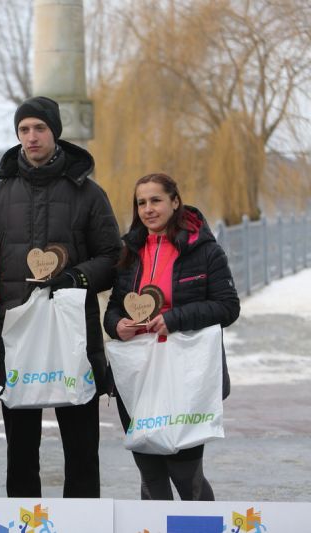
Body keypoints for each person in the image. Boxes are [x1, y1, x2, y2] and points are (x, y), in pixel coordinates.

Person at [0, 96, 121, 498]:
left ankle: (84, 524)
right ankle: (26, 523)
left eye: (39, 128)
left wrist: (76, 276)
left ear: (54, 132)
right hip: (17, 339)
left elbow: (113, 258)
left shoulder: (88, 194)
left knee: (81, 450)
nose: (32, 137)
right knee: (21, 453)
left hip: (73, 336)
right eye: (24, 129)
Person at [103, 173, 239, 500]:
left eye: (156, 200)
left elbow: (227, 306)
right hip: (138, 379)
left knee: (185, 474)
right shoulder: (130, 252)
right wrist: (117, 326)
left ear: (175, 202)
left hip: (186, 375)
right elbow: (112, 310)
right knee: (150, 476)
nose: (148, 209)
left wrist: (174, 319)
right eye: (141, 203)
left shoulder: (205, 251)